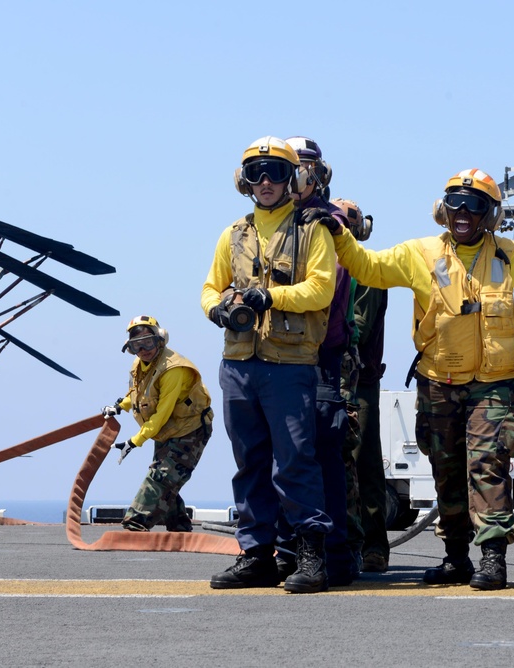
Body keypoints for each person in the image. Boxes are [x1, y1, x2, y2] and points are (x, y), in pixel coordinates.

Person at [312, 168, 514, 590]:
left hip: (495, 382)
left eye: (475, 204)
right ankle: (456, 557)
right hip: (438, 381)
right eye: (455, 202)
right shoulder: (419, 253)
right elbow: (367, 267)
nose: (463, 211)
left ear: (490, 214)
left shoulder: (508, 254)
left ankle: (492, 557)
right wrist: (338, 235)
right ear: (442, 210)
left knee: (487, 464)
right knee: (445, 469)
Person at [201, 136, 335, 593]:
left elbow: (321, 290)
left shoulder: (312, 230)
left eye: (276, 172)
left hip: (289, 363)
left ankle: (309, 556)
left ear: (293, 178)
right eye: (256, 173)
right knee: (249, 462)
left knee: (295, 460)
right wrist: (217, 309)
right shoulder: (232, 234)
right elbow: (208, 289)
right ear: (244, 180)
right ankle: (256, 555)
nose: (265, 182)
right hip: (238, 364)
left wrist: (268, 296)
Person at [268, 136, 355, 587]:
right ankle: (287, 551)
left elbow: (327, 297)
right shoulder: (278, 224)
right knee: (286, 457)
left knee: (318, 457)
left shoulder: (326, 224)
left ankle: (334, 554)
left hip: (319, 358)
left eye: (301, 169)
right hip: (281, 359)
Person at [102, 315, 213, 533]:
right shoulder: (141, 363)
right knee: (167, 476)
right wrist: (120, 406)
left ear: (160, 340)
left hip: (190, 430)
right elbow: (140, 393)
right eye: (136, 345)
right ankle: (179, 525)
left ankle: (135, 523)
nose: (143, 349)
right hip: (166, 431)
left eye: (148, 342)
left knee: (161, 476)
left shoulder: (173, 369)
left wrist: (135, 441)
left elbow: (162, 412)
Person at [331, 197, 391, 573]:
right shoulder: (323, 267)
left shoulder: (367, 271)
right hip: (327, 377)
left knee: (363, 461)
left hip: (359, 382)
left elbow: (356, 326)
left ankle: (374, 546)